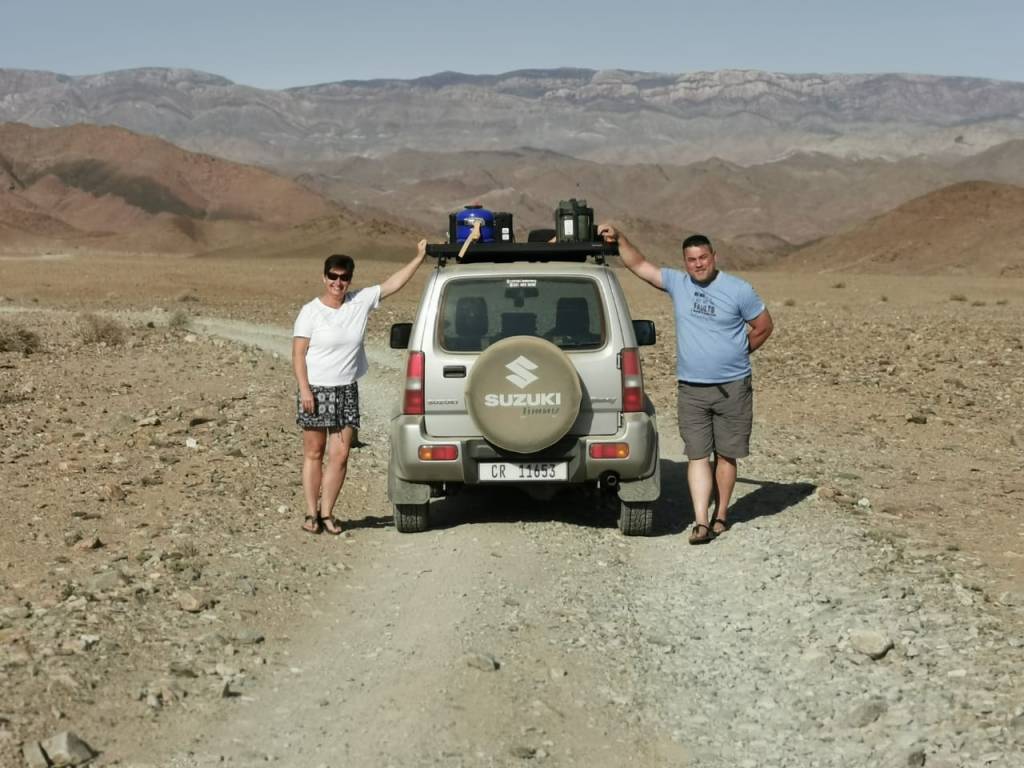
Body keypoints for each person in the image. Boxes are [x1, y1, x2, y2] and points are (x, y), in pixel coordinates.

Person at [597, 225, 773, 544]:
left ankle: (722, 515)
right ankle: (701, 521)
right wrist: (620, 238)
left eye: (703, 257)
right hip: (691, 389)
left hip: (733, 386)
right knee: (697, 454)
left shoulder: (739, 290)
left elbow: (763, 326)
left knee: (726, 455)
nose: (698, 264)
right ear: (685, 262)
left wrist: (737, 352)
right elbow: (640, 265)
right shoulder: (679, 284)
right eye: (691, 260)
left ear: (714, 256)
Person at [292, 240, 428, 534]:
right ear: (324, 277)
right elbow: (298, 354)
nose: (338, 282)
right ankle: (311, 513)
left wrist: (419, 257)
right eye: (333, 276)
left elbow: (393, 284)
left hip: (346, 390)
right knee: (314, 452)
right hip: (315, 390)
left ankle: (327, 513)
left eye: (344, 277)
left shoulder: (359, 302)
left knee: (340, 455)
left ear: (350, 280)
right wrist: (304, 390)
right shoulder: (310, 312)